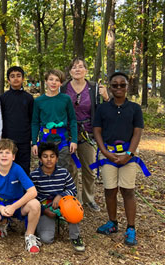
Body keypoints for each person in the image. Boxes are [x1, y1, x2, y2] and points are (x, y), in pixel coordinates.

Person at [93, 72, 144, 246]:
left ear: (127, 86)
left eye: (122, 85)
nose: (119, 88)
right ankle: (112, 222)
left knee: (128, 190)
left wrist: (129, 154)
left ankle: (131, 227)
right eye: (115, 85)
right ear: (110, 87)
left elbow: (137, 132)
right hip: (108, 154)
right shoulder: (103, 108)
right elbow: (97, 130)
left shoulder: (135, 108)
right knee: (110, 189)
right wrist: (105, 152)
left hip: (128, 155)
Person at [60, 57, 109, 212]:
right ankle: (75, 198)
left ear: (86, 70)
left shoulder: (94, 88)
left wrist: (106, 96)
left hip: (88, 132)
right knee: (71, 168)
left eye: (80, 67)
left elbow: (105, 109)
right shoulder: (64, 88)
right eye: (74, 67)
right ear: (69, 71)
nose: (77, 69)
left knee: (89, 168)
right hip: (68, 133)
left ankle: (89, 198)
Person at [0, 138, 41, 253]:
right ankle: (3, 221)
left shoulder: (17, 169)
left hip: (17, 203)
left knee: (35, 204)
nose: (4, 155)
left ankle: (30, 236)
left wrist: (14, 207)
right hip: (0, 203)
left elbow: (33, 192)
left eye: (7, 152)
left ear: (13, 157)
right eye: (0, 152)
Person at [30, 142, 85, 252]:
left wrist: (61, 195)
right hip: (45, 207)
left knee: (73, 208)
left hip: (63, 204)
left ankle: (75, 237)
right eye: (45, 156)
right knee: (46, 239)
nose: (49, 159)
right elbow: (31, 198)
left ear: (57, 158)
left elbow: (73, 189)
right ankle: (45, 224)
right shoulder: (34, 175)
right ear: (40, 159)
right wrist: (44, 210)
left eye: (52, 156)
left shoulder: (64, 173)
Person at [31, 69, 78, 169]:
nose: (53, 82)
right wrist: (34, 143)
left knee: (63, 170)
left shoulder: (66, 99)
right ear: (46, 81)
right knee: (45, 169)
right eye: (51, 79)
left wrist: (74, 140)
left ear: (61, 83)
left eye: (57, 80)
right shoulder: (39, 101)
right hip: (45, 139)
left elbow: (73, 120)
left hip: (62, 140)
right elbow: (35, 122)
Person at [0, 66, 34, 175]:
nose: (16, 79)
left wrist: (32, 138)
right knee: (8, 166)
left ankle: (25, 191)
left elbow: (32, 119)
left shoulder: (28, 98)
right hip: (8, 139)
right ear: (8, 80)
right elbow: (0, 118)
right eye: (12, 76)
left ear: (23, 79)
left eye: (18, 76)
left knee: (24, 167)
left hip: (24, 139)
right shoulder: (3, 98)